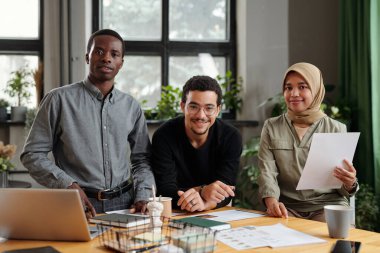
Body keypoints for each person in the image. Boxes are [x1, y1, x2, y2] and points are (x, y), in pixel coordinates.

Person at [21, 29, 155, 218]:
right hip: (76, 202)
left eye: (114, 54)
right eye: (99, 51)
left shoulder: (131, 106)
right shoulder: (58, 100)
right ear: (87, 57)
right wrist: (67, 184)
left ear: (121, 63)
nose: (106, 58)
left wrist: (143, 194)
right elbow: (32, 154)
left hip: (126, 203)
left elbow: (142, 159)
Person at [258, 62, 359, 221]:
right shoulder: (271, 126)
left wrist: (350, 182)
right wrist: (271, 202)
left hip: (328, 205)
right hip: (287, 207)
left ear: (317, 90)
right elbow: (267, 172)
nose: (294, 93)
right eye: (288, 87)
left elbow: (342, 184)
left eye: (302, 87)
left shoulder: (336, 128)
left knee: (334, 243)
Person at [151, 75, 242, 212]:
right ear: (183, 106)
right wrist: (203, 191)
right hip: (175, 211)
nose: (201, 115)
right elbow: (165, 192)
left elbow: (225, 191)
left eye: (209, 108)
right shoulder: (163, 136)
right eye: (193, 107)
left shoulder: (231, 137)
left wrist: (204, 204)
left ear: (218, 110)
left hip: (214, 210)